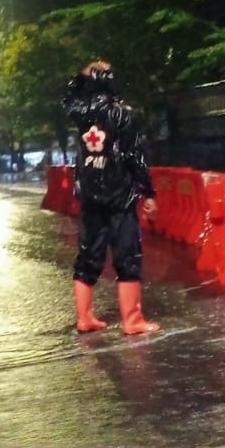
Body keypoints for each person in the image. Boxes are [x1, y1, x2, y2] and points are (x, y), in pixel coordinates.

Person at [62, 60, 160, 335]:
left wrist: (79, 76)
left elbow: (67, 98)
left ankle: (85, 317)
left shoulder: (80, 113)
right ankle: (132, 320)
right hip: (120, 196)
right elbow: (134, 156)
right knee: (127, 256)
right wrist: (148, 192)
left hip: (90, 195)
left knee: (88, 256)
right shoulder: (122, 114)